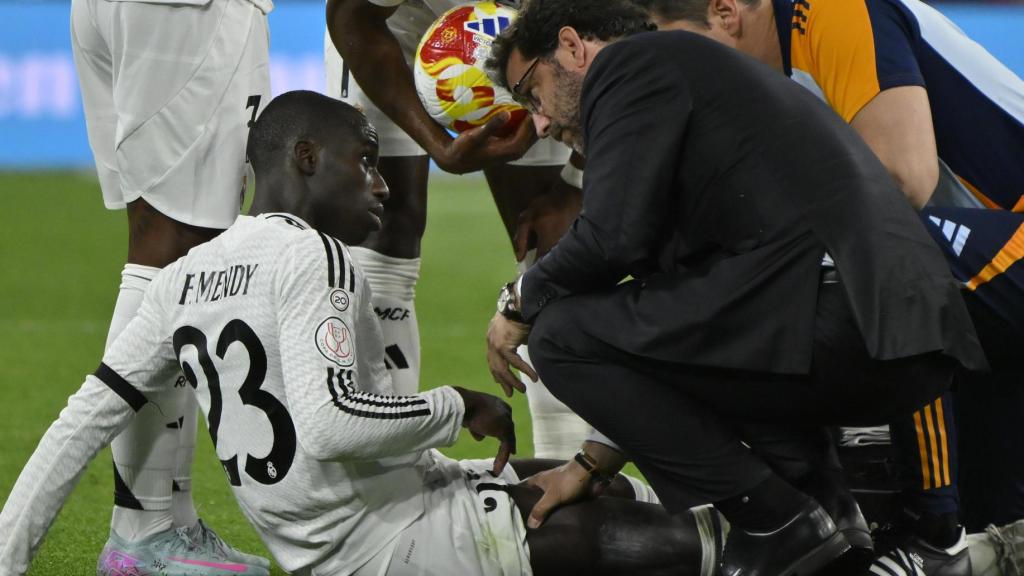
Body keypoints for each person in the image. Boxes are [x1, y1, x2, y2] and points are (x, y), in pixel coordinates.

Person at [0, 90, 734, 576]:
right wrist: (455, 405)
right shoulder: (313, 255)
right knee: (653, 539)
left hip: (340, 535)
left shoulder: (182, 280)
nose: (381, 185)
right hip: (392, 542)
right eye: (368, 162)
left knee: (582, 479)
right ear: (307, 159)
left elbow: (78, 426)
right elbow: (331, 423)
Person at [482, 1, 988, 575]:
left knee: (561, 334)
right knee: (675, 331)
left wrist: (518, 301)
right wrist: (592, 464)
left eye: (532, 91)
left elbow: (609, 239)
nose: (540, 123)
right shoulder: (688, 82)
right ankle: (830, 518)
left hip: (839, 313)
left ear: (573, 47)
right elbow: (662, 340)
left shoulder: (630, 64)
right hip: (890, 334)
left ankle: (775, 522)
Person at [626, 0, 1024, 572]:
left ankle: (932, 531)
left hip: (991, 257)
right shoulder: (780, 70)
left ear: (725, 11)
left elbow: (904, 179)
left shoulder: (834, 10)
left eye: (682, 50)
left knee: (881, 256)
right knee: (999, 528)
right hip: (990, 280)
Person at [324, 0, 592, 459]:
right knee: (381, 227)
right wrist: (437, 146)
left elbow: (625, 44)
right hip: (394, 28)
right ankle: (386, 464)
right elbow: (352, 15)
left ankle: (567, 468)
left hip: (536, 37)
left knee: (550, 244)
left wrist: (572, 183)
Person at [70, 0, 273, 572]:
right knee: (175, 249)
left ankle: (168, 520)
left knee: (169, 246)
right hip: (186, 12)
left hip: (137, 13)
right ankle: (143, 529)